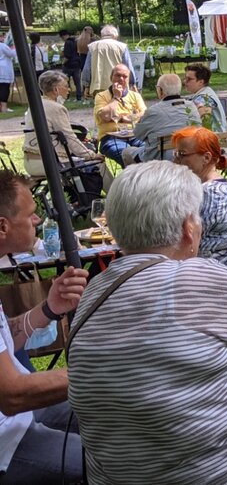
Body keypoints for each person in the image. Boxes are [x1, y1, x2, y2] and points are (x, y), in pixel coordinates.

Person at [67, 162, 227, 484]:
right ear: (189, 227)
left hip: (117, 476)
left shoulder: (95, 290)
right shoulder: (195, 276)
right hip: (222, 472)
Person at [0, 170, 89, 483]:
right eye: (31, 214)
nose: (37, 220)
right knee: (114, 461)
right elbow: (11, 395)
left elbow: (5, 339)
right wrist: (100, 372)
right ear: (3, 226)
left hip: (19, 418)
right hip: (7, 441)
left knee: (109, 411)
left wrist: (49, 309)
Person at [23, 71, 105, 206]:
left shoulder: (35, 104)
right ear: (56, 90)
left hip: (30, 161)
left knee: (82, 160)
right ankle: (108, 198)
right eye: (66, 86)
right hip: (50, 162)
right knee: (98, 163)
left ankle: (79, 199)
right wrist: (91, 155)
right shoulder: (56, 108)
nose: (69, 90)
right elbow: (69, 137)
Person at [171, 126, 227, 267]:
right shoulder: (208, 186)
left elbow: (183, 239)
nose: (176, 160)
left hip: (205, 274)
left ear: (206, 158)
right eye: (176, 153)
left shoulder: (211, 194)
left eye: (182, 154)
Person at [123, 73, 201, 164]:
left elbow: (137, 134)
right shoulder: (191, 106)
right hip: (189, 155)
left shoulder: (153, 111)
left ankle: (138, 178)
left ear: (160, 90)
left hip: (158, 159)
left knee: (126, 152)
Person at [93, 63, 146, 165]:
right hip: (111, 138)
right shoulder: (101, 96)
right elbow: (105, 116)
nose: (121, 79)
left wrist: (121, 117)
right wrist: (116, 97)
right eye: (117, 75)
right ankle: (132, 178)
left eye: (125, 76)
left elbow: (144, 115)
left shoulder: (135, 96)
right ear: (111, 77)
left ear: (128, 79)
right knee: (128, 157)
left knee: (151, 151)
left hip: (135, 136)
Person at [81, 25, 137, 93]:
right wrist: (133, 84)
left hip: (98, 86)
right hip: (119, 85)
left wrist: (86, 86)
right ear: (115, 35)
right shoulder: (122, 47)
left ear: (102, 35)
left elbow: (87, 68)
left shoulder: (92, 47)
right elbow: (128, 67)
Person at [184, 63, 227, 133]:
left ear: (201, 82)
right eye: (185, 78)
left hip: (213, 140)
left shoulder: (204, 98)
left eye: (189, 79)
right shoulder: (205, 93)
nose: (185, 81)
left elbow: (203, 119)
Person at [59, 30, 83, 102]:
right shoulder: (75, 41)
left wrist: (63, 63)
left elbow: (67, 55)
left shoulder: (67, 43)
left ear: (63, 36)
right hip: (76, 64)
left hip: (68, 65)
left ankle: (67, 96)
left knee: (66, 81)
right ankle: (79, 97)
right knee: (77, 82)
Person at [0, 30, 17, 112]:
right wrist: (13, 47)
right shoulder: (2, 46)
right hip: (3, 68)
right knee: (4, 87)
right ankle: (3, 107)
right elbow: (12, 54)